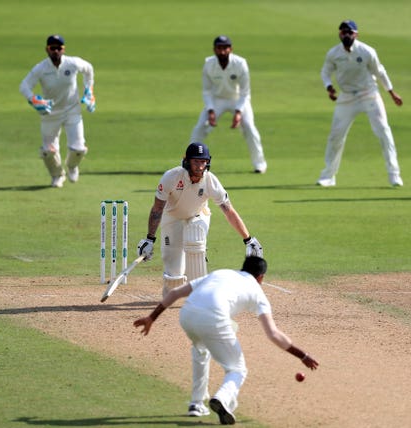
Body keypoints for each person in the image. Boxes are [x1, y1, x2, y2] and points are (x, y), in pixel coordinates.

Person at [133, 256, 319, 425]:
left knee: (200, 349)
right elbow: (273, 334)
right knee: (237, 369)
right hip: (213, 318)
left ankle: (196, 404)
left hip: (187, 315)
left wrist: (151, 318)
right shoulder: (258, 292)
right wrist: (302, 355)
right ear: (261, 277)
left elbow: (174, 294)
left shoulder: (221, 273)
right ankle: (222, 399)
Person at [137, 142, 263, 297]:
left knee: (195, 234)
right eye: (196, 161)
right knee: (174, 280)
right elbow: (157, 208)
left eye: (203, 161)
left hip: (198, 215)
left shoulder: (210, 181)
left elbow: (229, 211)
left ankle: (199, 292)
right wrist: (150, 238)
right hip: (173, 218)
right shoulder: (171, 177)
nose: (200, 166)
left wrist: (248, 239)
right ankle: (174, 286)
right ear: (187, 161)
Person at [317, 20, 404, 188]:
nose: (346, 35)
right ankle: (328, 176)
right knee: (336, 135)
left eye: (349, 32)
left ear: (356, 34)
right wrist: (329, 87)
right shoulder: (333, 53)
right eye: (343, 32)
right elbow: (325, 72)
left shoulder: (367, 51)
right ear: (339, 34)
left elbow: (380, 71)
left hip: (369, 94)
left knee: (383, 131)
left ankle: (394, 175)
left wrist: (391, 93)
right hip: (347, 97)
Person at [19, 34, 96, 188]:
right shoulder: (41, 68)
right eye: (52, 48)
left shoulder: (72, 63)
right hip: (50, 114)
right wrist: (33, 99)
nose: (55, 51)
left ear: (63, 49)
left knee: (79, 149)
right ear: (47, 50)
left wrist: (89, 90)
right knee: (48, 151)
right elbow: (24, 86)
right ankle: (57, 176)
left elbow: (88, 69)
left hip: (72, 110)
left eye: (59, 48)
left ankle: (72, 166)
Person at [190, 35, 267, 174]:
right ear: (214, 49)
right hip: (216, 99)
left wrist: (238, 113)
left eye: (225, 48)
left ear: (231, 49)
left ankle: (259, 164)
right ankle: (189, 162)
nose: (223, 51)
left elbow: (245, 92)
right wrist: (211, 111)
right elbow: (207, 91)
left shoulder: (240, 63)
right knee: (199, 127)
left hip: (237, 98)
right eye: (219, 48)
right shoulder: (208, 63)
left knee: (249, 127)